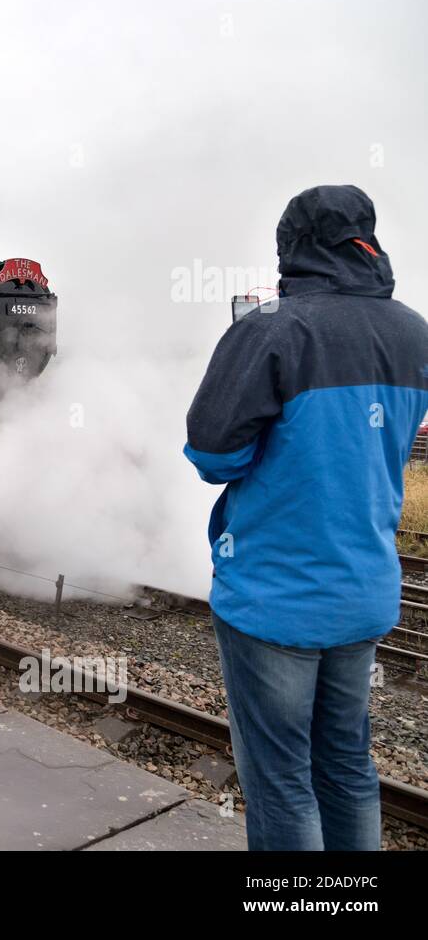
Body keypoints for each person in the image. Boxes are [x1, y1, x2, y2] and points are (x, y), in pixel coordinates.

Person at [185, 185, 428, 851]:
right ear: (366, 241)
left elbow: (213, 453)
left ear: (291, 250)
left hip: (277, 599)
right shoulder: (413, 331)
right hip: (365, 592)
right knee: (348, 764)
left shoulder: (271, 330)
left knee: (283, 779)